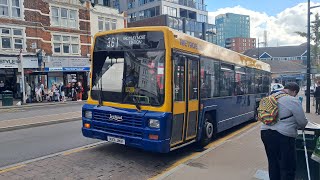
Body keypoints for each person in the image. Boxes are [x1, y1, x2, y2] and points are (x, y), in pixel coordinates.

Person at [260, 82, 308, 180]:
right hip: (283, 136)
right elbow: (302, 122)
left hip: (265, 133)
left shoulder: (270, 97)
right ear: (294, 92)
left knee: (273, 162)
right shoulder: (292, 100)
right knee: (287, 165)